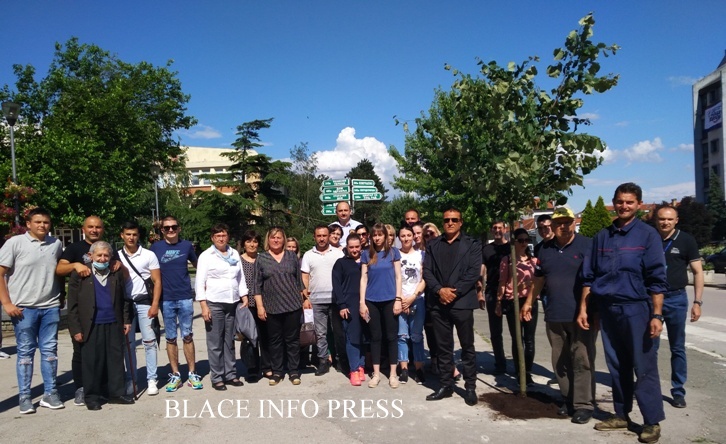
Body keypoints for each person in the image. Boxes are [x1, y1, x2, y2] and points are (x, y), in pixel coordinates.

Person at [577, 182, 667, 444]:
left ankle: (651, 421)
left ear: (638, 205)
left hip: (637, 309)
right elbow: (589, 277)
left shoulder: (648, 236)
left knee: (644, 366)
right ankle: (621, 414)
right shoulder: (602, 237)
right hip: (608, 309)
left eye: (629, 202)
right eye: (619, 201)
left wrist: (656, 315)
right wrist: (585, 309)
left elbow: (657, 279)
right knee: (617, 365)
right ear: (614, 203)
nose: (624, 206)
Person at [522, 207, 595, 424]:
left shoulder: (587, 245)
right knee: (560, 361)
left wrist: (586, 309)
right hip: (554, 312)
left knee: (581, 359)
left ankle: (584, 404)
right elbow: (539, 279)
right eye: (559, 223)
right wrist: (528, 302)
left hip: (581, 315)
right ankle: (568, 398)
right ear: (552, 226)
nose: (563, 226)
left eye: (567, 222)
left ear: (574, 223)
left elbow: (592, 281)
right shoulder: (544, 249)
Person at [0, 207, 64, 413]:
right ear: (28, 224)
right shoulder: (15, 243)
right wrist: (7, 303)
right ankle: (25, 397)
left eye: (46, 222)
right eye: (38, 222)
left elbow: (58, 271)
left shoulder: (55, 244)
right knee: (25, 353)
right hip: (24, 308)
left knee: (50, 352)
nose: (42, 225)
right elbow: (1, 273)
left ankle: (50, 393)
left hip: (50, 306)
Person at [55, 215, 121, 406]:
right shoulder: (74, 248)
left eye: (98, 227)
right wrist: (75, 264)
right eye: (90, 227)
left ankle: (103, 389)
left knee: (104, 354)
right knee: (81, 354)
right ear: (83, 229)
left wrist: (119, 264)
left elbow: (117, 273)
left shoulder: (108, 248)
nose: (94, 230)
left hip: (105, 315)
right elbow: (59, 269)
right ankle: (81, 388)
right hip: (84, 312)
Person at [423, 208, 482, 406]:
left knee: (467, 346)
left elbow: (473, 273)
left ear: (461, 222)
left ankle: (470, 387)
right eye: (447, 220)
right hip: (439, 304)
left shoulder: (472, 244)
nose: (450, 223)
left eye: (454, 220)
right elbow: (427, 271)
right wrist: (440, 290)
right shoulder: (433, 245)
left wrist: (453, 293)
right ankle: (446, 385)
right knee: (443, 347)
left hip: (462, 303)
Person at [67, 241, 134, 410]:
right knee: (92, 362)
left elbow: (124, 298)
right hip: (91, 324)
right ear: (91, 256)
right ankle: (92, 397)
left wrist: (126, 320)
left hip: (113, 322)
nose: (102, 259)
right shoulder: (81, 274)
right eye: (99, 255)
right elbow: (72, 305)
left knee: (115, 360)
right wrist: (75, 329)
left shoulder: (115, 273)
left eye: (106, 255)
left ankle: (116, 393)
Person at [654, 204, 704, 408]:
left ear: (676, 220)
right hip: (652, 300)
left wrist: (697, 302)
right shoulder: (650, 239)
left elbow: (698, 272)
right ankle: (649, 387)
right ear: (656, 220)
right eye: (661, 219)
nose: (665, 222)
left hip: (676, 299)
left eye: (669, 219)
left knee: (677, 347)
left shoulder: (686, 240)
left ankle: (678, 390)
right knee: (649, 346)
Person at [150, 216, 202, 392]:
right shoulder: (155, 248)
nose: (171, 230)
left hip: (185, 296)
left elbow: (199, 266)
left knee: (187, 335)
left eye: (174, 227)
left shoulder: (186, 246)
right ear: (162, 230)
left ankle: (192, 373)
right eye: (167, 228)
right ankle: (175, 374)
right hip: (166, 298)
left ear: (179, 228)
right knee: (170, 337)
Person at [196, 223, 248, 391]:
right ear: (212, 238)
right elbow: (199, 282)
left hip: (232, 302)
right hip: (214, 302)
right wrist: (203, 306)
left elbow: (240, 277)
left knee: (229, 341)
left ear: (228, 237)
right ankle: (217, 377)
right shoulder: (206, 256)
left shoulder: (234, 253)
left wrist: (244, 295)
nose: (221, 238)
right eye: (217, 236)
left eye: (223, 235)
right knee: (215, 342)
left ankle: (231, 374)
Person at [254, 227, 306, 386]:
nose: (276, 240)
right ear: (268, 240)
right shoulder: (261, 258)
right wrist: (260, 306)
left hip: (292, 305)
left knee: (292, 340)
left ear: (283, 239)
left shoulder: (291, 256)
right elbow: (256, 285)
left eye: (279, 237)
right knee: (275, 341)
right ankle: (277, 372)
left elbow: (299, 281)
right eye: (273, 237)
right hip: (271, 307)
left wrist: (305, 299)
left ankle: (294, 371)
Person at [118, 220, 162, 397]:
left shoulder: (149, 255)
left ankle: (152, 379)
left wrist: (155, 304)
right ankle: (131, 379)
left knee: (149, 342)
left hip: (145, 302)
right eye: (128, 234)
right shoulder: (116, 256)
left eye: (134, 234)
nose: (131, 237)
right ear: (122, 235)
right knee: (128, 344)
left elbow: (157, 281)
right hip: (125, 304)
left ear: (138, 236)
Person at [359, 223, 402, 388]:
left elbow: (398, 277)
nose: (377, 238)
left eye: (380, 235)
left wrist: (398, 299)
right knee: (375, 337)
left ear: (385, 236)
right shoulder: (366, 254)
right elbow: (363, 279)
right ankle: (376, 374)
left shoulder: (393, 253)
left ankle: (393, 374)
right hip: (371, 301)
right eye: (374, 235)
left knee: (391, 337)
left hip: (390, 299)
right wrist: (362, 302)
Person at [301, 225, 345, 376]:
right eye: (318, 236)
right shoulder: (308, 255)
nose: (321, 238)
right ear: (314, 237)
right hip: (317, 300)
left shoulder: (338, 253)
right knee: (320, 333)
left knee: (338, 332)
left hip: (336, 300)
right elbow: (305, 277)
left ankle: (340, 360)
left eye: (324, 235)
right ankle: (323, 361)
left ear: (328, 236)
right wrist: (305, 298)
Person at [497, 228, 538, 386]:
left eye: (526, 240)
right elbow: (502, 283)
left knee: (529, 339)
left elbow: (538, 282)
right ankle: (519, 370)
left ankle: (527, 372)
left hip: (530, 301)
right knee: (517, 339)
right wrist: (499, 302)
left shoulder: (534, 261)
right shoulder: (507, 260)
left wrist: (529, 286)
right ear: (514, 242)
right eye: (520, 240)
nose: (524, 243)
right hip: (513, 301)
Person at [332, 233, 365, 386]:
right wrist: (342, 305)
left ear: (361, 246)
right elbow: (336, 285)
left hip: (366, 303)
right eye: (351, 247)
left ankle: (361, 366)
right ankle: (354, 369)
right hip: (349, 304)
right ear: (347, 247)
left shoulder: (366, 261)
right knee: (352, 337)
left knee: (364, 336)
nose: (354, 250)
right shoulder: (341, 263)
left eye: (357, 247)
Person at [239, 230, 270, 382]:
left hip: (264, 303)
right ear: (243, 244)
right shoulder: (238, 261)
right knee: (250, 337)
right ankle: (252, 368)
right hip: (246, 304)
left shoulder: (263, 259)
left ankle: (267, 367)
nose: (252, 244)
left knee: (265, 336)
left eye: (255, 241)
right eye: (249, 241)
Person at [397, 225, 426, 384]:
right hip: (400, 301)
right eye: (403, 236)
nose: (406, 238)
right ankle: (404, 369)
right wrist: (402, 299)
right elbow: (394, 278)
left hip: (418, 299)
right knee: (402, 336)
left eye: (409, 235)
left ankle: (419, 368)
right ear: (399, 238)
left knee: (416, 336)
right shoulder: (395, 255)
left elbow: (424, 278)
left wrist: (413, 297)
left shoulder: (421, 254)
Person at [481, 220, 510, 374]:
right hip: (492, 291)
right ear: (491, 230)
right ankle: (500, 363)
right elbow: (482, 270)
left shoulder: (511, 247)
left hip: (510, 292)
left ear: (505, 229)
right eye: (495, 228)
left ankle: (520, 365)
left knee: (515, 331)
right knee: (495, 331)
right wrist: (479, 291)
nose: (497, 230)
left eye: (500, 227)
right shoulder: (487, 249)